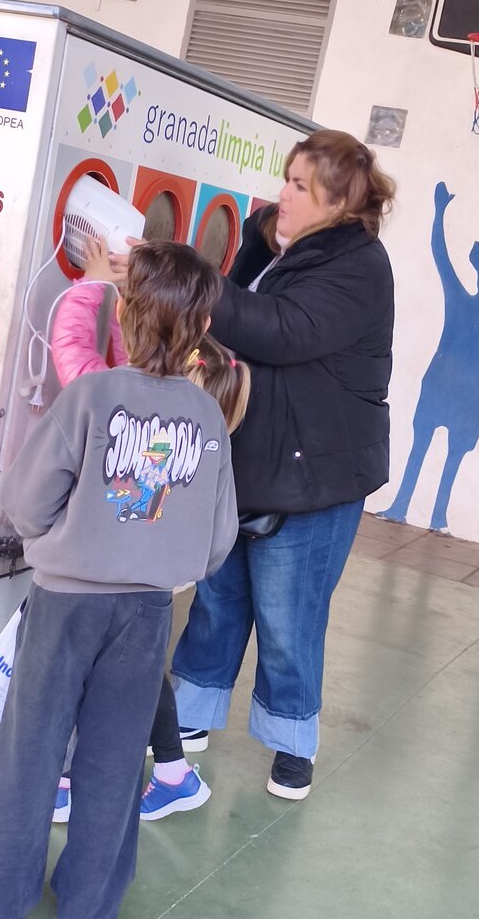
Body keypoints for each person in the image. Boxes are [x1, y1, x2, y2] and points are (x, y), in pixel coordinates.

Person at [0, 241, 238, 919]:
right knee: (115, 764)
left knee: (31, 755)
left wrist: (56, 546)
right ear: (204, 327)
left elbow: (24, 501)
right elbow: (217, 538)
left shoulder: (90, 395)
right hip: (145, 613)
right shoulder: (208, 416)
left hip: (64, 602)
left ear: (122, 312)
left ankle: (0, 901)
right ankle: (88, 902)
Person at [168, 129, 396, 801]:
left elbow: (278, 331)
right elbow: (229, 313)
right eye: (286, 180)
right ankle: (192, 711)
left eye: (301, 185)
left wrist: (185, 277)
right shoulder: (280, 244)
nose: (283, 195)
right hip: (248, 457)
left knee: (289, 618)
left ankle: (293, 744)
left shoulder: (359, 266)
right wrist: (253, 244)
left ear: (339, 202)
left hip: (313, 474)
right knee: (217, 599)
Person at [49, 236, 250, 824]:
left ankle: (65, 778)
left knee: (84, 665)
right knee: (138, 665)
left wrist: (94, 285)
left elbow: (76, 355)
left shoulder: (116, 405)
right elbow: (133, 363)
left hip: (106, 567)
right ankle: (173, 772)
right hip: (157, 570)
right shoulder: (194, 423)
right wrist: (125, 303)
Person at [376, 181, 479, 532]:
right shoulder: (460, 299)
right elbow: (440, 255)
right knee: (447, 457)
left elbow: (440, 254)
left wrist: (439, 212)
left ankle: (407, 507)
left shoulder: (459, 298)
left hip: (444, 385)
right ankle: (434, 516)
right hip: (463, 392)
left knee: (423, 449)